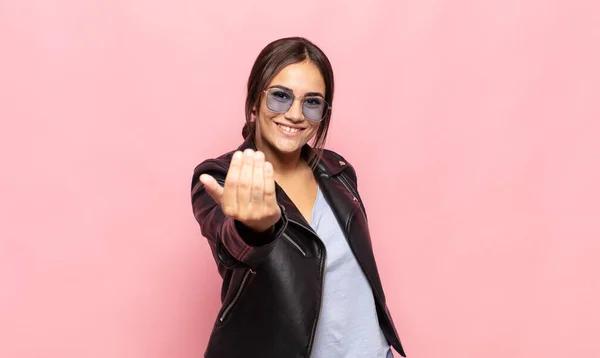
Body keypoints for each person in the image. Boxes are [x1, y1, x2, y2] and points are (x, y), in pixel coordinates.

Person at [190, 37, 406, 358]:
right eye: (280, 97)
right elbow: (231, 247)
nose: (294, 114)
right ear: (254, 101)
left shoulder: (338, 171)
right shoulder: (222, 176)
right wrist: (254, 228)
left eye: (312, 102)